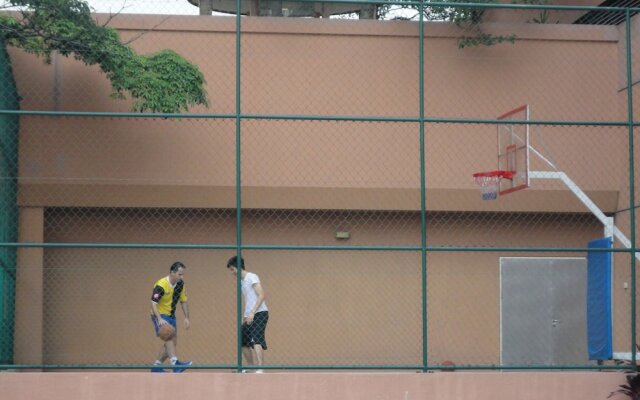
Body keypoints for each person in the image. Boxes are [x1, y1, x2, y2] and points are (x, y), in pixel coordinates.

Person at [226, 255, 269, 373]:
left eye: (232, 269)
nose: (232, 272)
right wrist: (245, 316)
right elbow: (249, 300)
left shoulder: (251, 277)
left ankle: (261, 368)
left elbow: (261, 295)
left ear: (238, 267)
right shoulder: (241, 281)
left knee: (256, 339)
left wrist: (252, 313)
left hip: (260, 313)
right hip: (249, 315)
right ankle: (251, 367)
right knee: (242, 339)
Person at [150, 261, 192, 373]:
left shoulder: (180, 284)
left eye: (183, 274)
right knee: (168, 336)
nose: (181, 277)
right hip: (159, 314)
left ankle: (156, 367)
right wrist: (159, 319)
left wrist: (187, 317)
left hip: (171, 315)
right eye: (180, 274)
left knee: (172, 343)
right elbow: (153, 303)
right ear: (172, 273)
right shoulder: (161, 284)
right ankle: (175, 363)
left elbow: (183, 301)